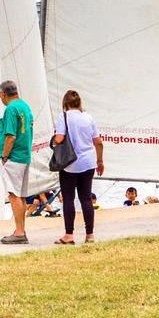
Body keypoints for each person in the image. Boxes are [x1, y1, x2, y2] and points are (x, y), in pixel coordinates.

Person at [51, 89, 104, 244]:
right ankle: (90, 235)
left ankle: (69, 235)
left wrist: (52, 140)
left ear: (65, 103)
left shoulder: (64, 116)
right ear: (79, 102)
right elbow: (98, 142)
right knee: (86, 199)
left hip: (69, 164)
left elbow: (60, 138)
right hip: (88, 162)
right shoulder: (88, 117)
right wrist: (100, 161)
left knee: (68, 199)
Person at [0, 79, 35, 244]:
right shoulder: (25, 106)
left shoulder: (11, 109)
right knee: (21, 196)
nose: (0, 98)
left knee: (13, 194)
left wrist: (4, 156)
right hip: (24, 155)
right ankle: (21, 230)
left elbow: (10, 135)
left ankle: (19, 232)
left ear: (3, 94)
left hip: (13, 157)